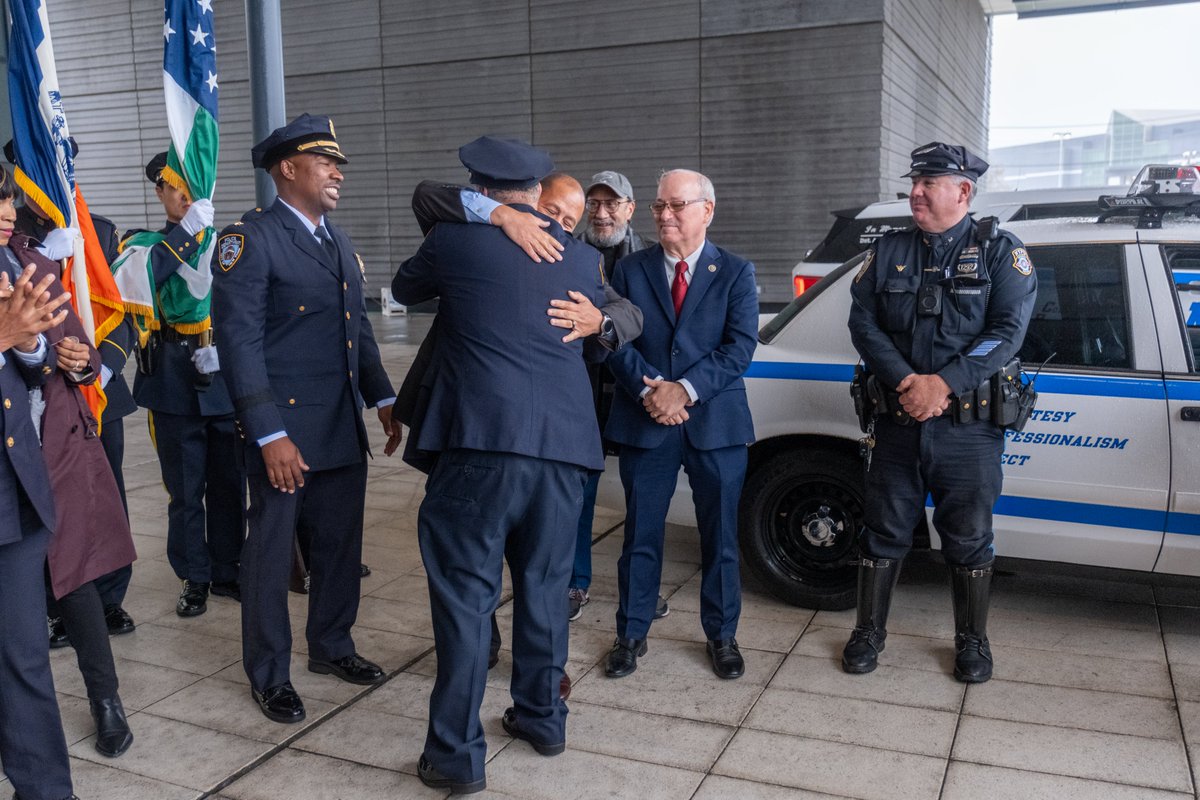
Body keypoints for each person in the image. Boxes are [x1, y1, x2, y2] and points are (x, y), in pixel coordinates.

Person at [391, 136, 608, 795]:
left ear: (483, 190)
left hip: (482, 448)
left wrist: (481, 218)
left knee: (465, 600)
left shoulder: (455, 241)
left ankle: (456, 758)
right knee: (544, 589)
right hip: (566, 452)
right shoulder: (582, 257)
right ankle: (542, 718)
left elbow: (404, 288)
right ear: (540, 195)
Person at [402, 171, 654, 625]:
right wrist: (497, 214)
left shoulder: (570, 259)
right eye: (550, 210)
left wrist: (599, 321)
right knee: (472, 562)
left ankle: (518, 661)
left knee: (531, 564)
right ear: (532, 198)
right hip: (470, 422)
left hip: (546, 433)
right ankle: (491, 650)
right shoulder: (470, 235)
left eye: (565, 218)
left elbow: (630, 312)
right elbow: (427, 194)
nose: (554, 222)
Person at [213, 114, 399, 725]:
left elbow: (357, 331)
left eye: (337, 163)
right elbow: (239, 345)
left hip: (339, 425)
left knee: (340, 547)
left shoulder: (336, 240)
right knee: (270, 554)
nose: (338, 172)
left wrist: (382, 398)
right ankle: (270, 673)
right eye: (326, 163)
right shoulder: (249, 239)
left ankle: (332, 646)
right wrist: (269, 434)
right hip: (285, 433)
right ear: (287, 169)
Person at [843, 142, 1037, 684]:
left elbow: (1007, 333)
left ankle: (973, 641)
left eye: (929, 182)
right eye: (915, 182)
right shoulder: (888, 251)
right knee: (882, 531)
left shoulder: (1002, 253)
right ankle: (868, 632)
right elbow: (864, 325)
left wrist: (944, 385)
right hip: (899, 421)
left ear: (963, 191)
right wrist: (910, 382)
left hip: (968, 431)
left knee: (969, 536)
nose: (916, 192)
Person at [603, 169, 758, 681]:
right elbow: (613, 341)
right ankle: (631, 633)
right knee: (641, 535)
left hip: (714, 422)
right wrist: (652, 391)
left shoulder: (736, 271)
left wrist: (683, 390)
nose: (665, 215)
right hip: (647, 419)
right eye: (658, 207)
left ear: (706, 211)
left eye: (677, 206)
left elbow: (739, 347)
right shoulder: (629, 271)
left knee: (720, 537)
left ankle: (722, 635)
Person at [5, 205, 138, 759]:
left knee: (75, 572)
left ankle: (106, 700)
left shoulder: (33, 263)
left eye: (9, 198)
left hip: (52, 440)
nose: (9, 211)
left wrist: (80, 361)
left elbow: (79, 350)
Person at [5, 138, 140, 641]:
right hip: (40, 395)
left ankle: (109, 599)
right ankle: (56, 605)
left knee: (105, 497)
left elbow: (122, 314)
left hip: (97, 390)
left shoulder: (96, 230)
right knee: (45, 502)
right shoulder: (11, 235)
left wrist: (101, 373)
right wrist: (41, 255)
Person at [127, 151, 244, 619]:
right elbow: (146, 277)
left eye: (190, 184)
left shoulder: (229, 240)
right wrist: (187, 230)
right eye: (173, 185)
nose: (183, 193)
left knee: (229, 483)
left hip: (223, 374)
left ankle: (227, 569)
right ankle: (193, 576)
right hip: (172, 375)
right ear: (159, 192)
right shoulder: (142, 243)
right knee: (185, 488)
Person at [0, 174, 79, 799]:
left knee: (24, 659)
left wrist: (31, 344)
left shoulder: (11, 263)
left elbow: (34, 359)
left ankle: (48, 790)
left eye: (6, 196)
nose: (7, 209)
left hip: (12, 492)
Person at [580, 170, 648, 276]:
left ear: (629, 210)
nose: (601, 214)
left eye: (611, 204)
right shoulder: (567, 254)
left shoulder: (652, 257)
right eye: (593, 204)